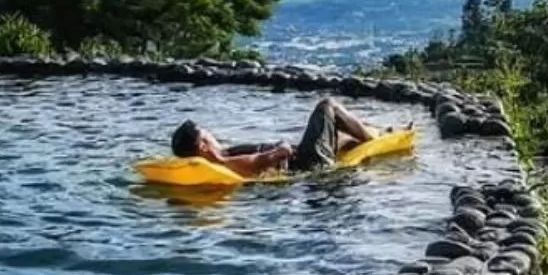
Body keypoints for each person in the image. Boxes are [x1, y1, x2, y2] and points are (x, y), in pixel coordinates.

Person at [170, 97, 401, 177]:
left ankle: (375, 132)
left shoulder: (226, 154)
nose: (211, 133)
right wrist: (279, 147)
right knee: (327, 106)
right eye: (206, 133)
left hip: (302, 158)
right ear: (202, 145)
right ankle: (376, 138)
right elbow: (277, 155)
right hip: (308, 164)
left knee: (340, 134)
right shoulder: (228, 162)